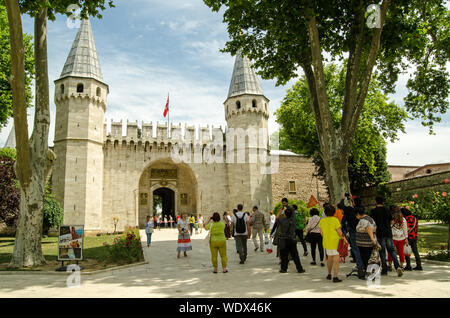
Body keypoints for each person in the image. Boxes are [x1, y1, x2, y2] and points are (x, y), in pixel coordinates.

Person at [370, 196, 403, 277]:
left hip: (380, 233)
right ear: (383, 202)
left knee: (382, 252)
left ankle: (384, 269)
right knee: (392, 250)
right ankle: (397, 266)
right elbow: (391, 221)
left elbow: (373, 223)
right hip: (388, 232)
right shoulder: (387, 209)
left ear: (376, 202)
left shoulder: (374, 211)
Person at [319, 204, 348, 283]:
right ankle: (335, 276)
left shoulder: (322, 221)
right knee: (336, 260)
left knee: (329, 259)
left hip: (327, 242)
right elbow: (339, 232)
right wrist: (345, 239)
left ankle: (329, 274)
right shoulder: (335, 220)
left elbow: (321, 232)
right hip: (336, 242)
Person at [338, 194, 365, 275]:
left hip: (353, 231)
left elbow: (341, 205)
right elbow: (357, 205)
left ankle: (360, 266)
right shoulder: (362, 209)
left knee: (355, 249)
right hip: (362, 231)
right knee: (362, 248)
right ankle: (364, 264)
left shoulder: (350, 210)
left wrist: (343, 199)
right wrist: (351, 199)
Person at [276, 205, 305, 273]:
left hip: (284, 239)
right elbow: (293, 214)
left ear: (285, 214)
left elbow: (277, 218)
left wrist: (280, 211)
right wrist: (289, 207)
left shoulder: (282, 220)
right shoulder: (293, 220)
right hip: (292, 239)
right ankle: (299, 269)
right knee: (295, 255)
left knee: (284, 255)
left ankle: (283, 269)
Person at [355, 206, 377, 277]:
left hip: (364, 243)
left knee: (366, 259)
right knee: (368, 258)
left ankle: (369, 273)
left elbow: (368, 228)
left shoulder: (363, 220)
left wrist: (372, 238)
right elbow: (375, 227)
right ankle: (369, 273)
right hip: (367, 242)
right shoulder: (370, 218)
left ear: (358, 214)